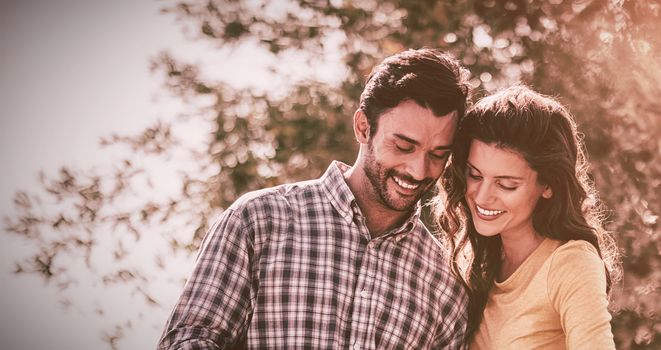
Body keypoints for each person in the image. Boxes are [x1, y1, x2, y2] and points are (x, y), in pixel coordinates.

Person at [159, 48, 472, 349]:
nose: (418, 170)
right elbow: (187, 341)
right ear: (363, 127)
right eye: (404, 147)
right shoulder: (259, 220)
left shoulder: (445, 282)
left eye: (437, 154)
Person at [436, 86, 620, 349]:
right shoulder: (477, 262)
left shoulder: (570, 263)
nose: (482, 196)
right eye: (475, 175)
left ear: (548, 186)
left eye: (507, 184)